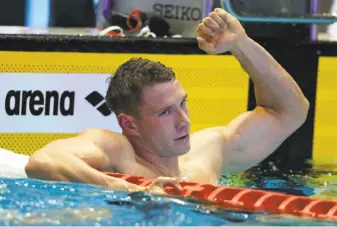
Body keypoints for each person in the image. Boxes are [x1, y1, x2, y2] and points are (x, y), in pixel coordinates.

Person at [25, 8, 309, 194]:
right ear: (130, 124)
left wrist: (241, 44)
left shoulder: (207, 151)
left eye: (182, 104)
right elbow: (42, 160)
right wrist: (129, 188)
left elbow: (290, 111)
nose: (183, 120)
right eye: (164, 112)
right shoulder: (118, 152)